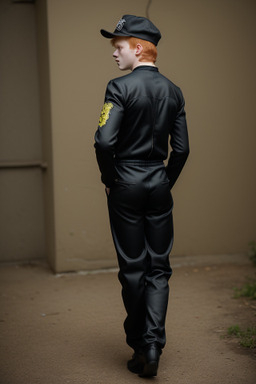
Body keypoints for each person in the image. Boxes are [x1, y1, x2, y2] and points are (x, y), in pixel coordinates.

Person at [94, 14, 189, 377]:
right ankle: (153, 344)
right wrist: (165, 181)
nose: (114, 54)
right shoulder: (174, 91)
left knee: (134, 269)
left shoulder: (118, 88)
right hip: (158, 182)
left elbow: (104, 140)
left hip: (126, 182)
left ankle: (139, 347)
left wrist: (110, 177)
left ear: (137, 48)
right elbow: (181, 150)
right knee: (159, 269)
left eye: (118, 47)